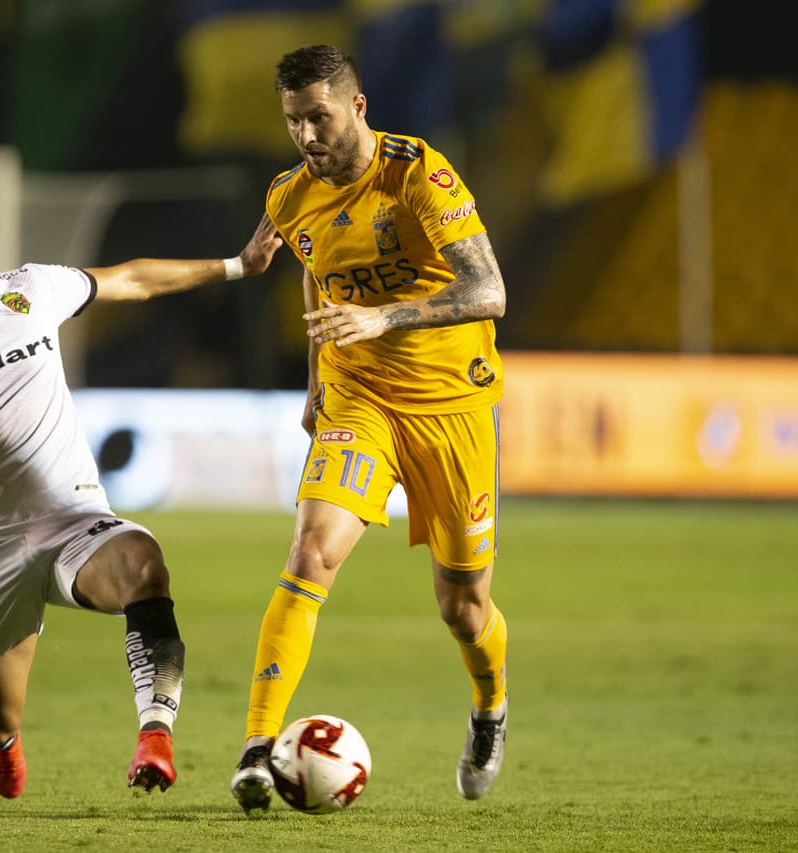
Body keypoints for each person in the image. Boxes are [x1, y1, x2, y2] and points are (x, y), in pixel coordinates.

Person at [0, 187, 282, 800]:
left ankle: (155, 736)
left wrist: (237, 265)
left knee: (144, 563)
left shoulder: (31, 288)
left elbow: (131, 279)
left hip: (77, 523)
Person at [229, 44, 510, 813]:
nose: (307, 135)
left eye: (319, 116)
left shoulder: (420, 174)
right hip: (361, 403)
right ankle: (257, 746)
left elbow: (489, 289)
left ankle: (490, 707)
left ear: (357, 106)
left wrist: (382, 315)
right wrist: (318, 384)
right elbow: (320, 279)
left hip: (452, 403)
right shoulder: (290, 197)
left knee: (463, 606)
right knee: (310, 552)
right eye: (293, 121)